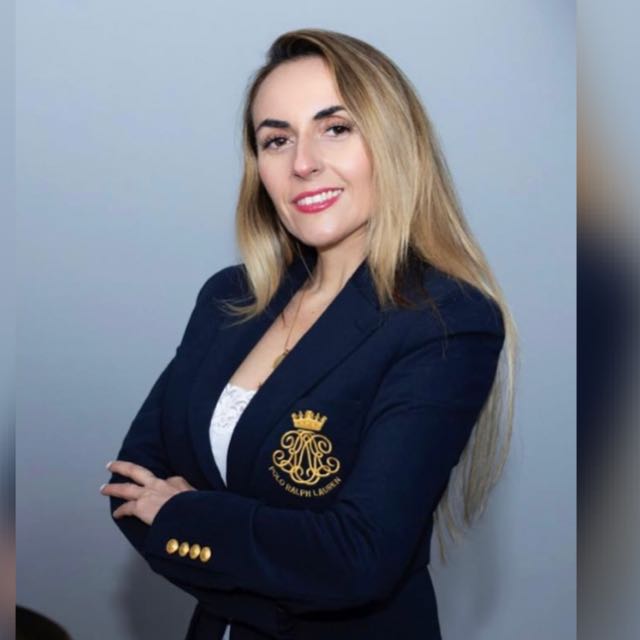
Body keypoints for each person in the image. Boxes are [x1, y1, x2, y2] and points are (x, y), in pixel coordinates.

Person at [101, 28, 517, 640]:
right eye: (277, 139)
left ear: (394, 143)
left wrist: (184, 516)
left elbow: (358, 557)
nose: (302, 163)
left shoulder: (445, 320)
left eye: (336, 128)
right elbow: (131, 486)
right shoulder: (230, 297)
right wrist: (267, 562)